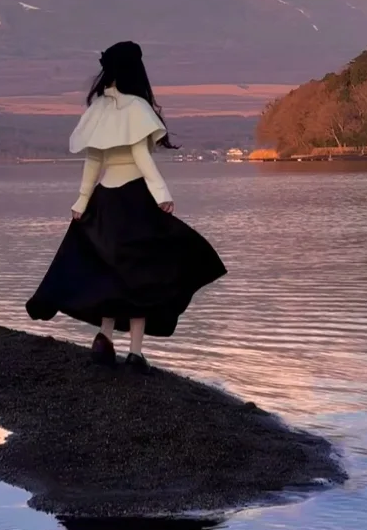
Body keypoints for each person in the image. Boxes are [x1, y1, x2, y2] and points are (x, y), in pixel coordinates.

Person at [25, 41, 226, 371]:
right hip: (134, 199)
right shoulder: (137, 108)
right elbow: (140, 156)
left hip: (104, 200)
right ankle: (135, 353)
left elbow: (93, 160)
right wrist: (161, 194)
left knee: (108, 269)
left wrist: (82, 201)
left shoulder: (98, 109)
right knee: (142, 274)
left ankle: (104, 339)